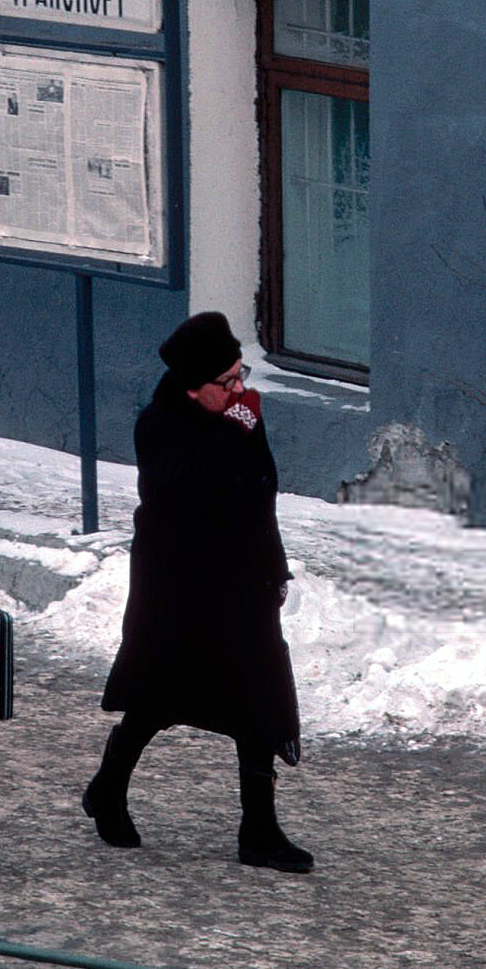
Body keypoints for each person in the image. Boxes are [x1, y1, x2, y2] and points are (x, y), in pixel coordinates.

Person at [84, 311, 311, 873]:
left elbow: (261, 495)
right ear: (192, 386)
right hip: (178, 587)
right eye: (226, 381)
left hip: (244, 581)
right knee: (158, 697)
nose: (239, 388)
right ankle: (109, 786)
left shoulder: (239, 414)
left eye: (240, 374)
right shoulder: (159, 426)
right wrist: (235, 430)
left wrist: (275, 569)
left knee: (258, 697)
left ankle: (259, 830)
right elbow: (189, 497)